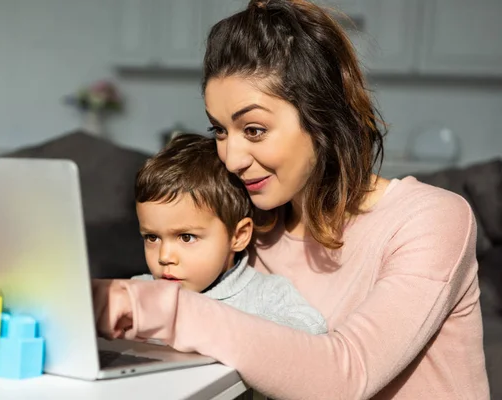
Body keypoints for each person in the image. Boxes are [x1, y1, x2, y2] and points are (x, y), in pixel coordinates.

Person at [92, 1, 490, 398]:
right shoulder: (254, 228)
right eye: (219, 130)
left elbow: (346, 377)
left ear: (321, 117)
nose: (231, 159)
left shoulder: (431, 219)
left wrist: (151, 308)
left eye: (254, 129)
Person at [130, 133, 327, 334]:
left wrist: (223, 324)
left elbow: (312, 329)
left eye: (186, 237)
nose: (164, 257)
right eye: (152, 237)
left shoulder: (265, 294)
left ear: (238, 236)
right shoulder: (139, 291)